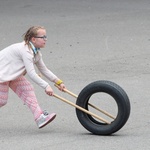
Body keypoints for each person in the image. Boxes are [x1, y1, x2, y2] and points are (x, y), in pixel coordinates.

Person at [0, 26, 66, 129]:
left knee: (27, 88)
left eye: (46, 36)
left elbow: (44, 69)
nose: (45, 39)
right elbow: (31, 73)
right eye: (42, 37)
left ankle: (39, 117)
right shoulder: (26, 51)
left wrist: (58, 82)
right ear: (33, 39)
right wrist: (46, 86)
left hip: (11, 74)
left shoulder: (36, 52)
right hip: (2, 74)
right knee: (1, 100)